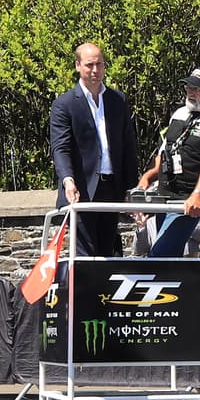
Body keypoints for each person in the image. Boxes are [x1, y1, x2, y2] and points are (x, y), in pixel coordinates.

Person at [49, 42, 139, 257]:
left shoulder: (118, 100)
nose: (95, 70)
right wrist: (68, 180)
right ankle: (83, 292)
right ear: (78, 65)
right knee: (85, 254)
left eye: (99, 64)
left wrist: (131, 188)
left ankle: (104, 292)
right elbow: (60, 147)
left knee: (108, 250)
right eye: (90, 65)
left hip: (112, 187)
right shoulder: (65, 104)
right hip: (82, 189)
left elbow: (128, 146)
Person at [136, 64, 200, 225]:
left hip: (191, 199)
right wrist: (147, 177)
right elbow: (164, 152)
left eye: (196, 89)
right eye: (188, 87)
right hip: (165, 194)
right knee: (163, 248)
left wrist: (198, 193)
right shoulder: (180, 113)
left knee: (162, 250)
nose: (190, 92)